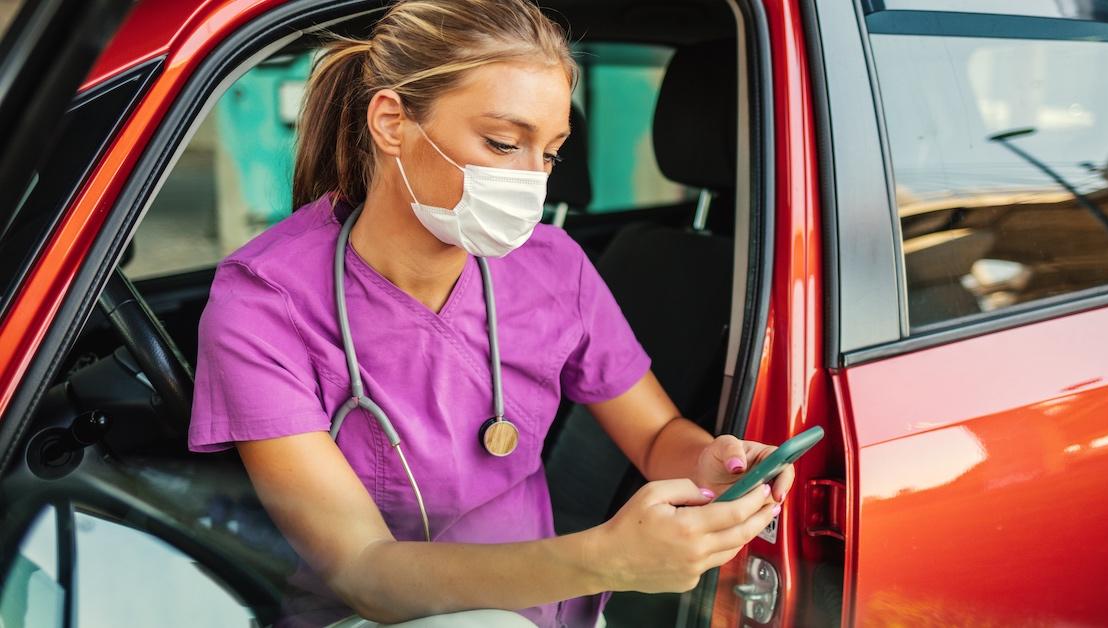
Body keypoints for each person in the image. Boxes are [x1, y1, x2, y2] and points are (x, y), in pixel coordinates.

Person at [186, 1, 794, 626]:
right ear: (392, 122)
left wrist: (711, 464)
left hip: (551, 606)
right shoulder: (264, 305)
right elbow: (364, 571)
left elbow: (657, 437)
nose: (533, 182)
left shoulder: (554, 266)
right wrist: (606, 560)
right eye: (505, 143)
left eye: (550, 153)